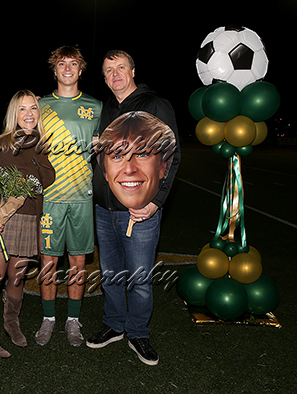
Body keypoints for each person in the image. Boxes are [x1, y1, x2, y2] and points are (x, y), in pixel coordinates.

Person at [87, 50, 180, 366]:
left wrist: (155, 202)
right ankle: (114, 324)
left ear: (133, 71)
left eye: (120, 67)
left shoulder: (155, 105)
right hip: (104, 208)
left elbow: (172, 157)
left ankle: (138, 332)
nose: (115, 74)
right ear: (104, 78)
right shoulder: (107, 109)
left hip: (140, 210)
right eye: (108, 70)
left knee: (139, 278)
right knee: (110, 274)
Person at [0, 89, 55, 358]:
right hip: (4, 222)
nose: (29, 114)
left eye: (33, 108)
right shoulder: (3, 145)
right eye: (22, 109)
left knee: (17, 277)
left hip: (28, 221)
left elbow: (47, 179)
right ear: (13, 114)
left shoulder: (39, 145)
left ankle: (11, 323)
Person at [34, 46, 102, 347]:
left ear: (81, 69)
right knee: (48, 261)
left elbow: (106, 146)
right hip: (49, 197)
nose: (67, 69)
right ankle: (48, 318)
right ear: (54, 70)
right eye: (62, 64)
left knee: (77, 261)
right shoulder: (39, 105)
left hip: (81, 196)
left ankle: (73, 320)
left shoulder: (95, 106)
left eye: (73, 64)